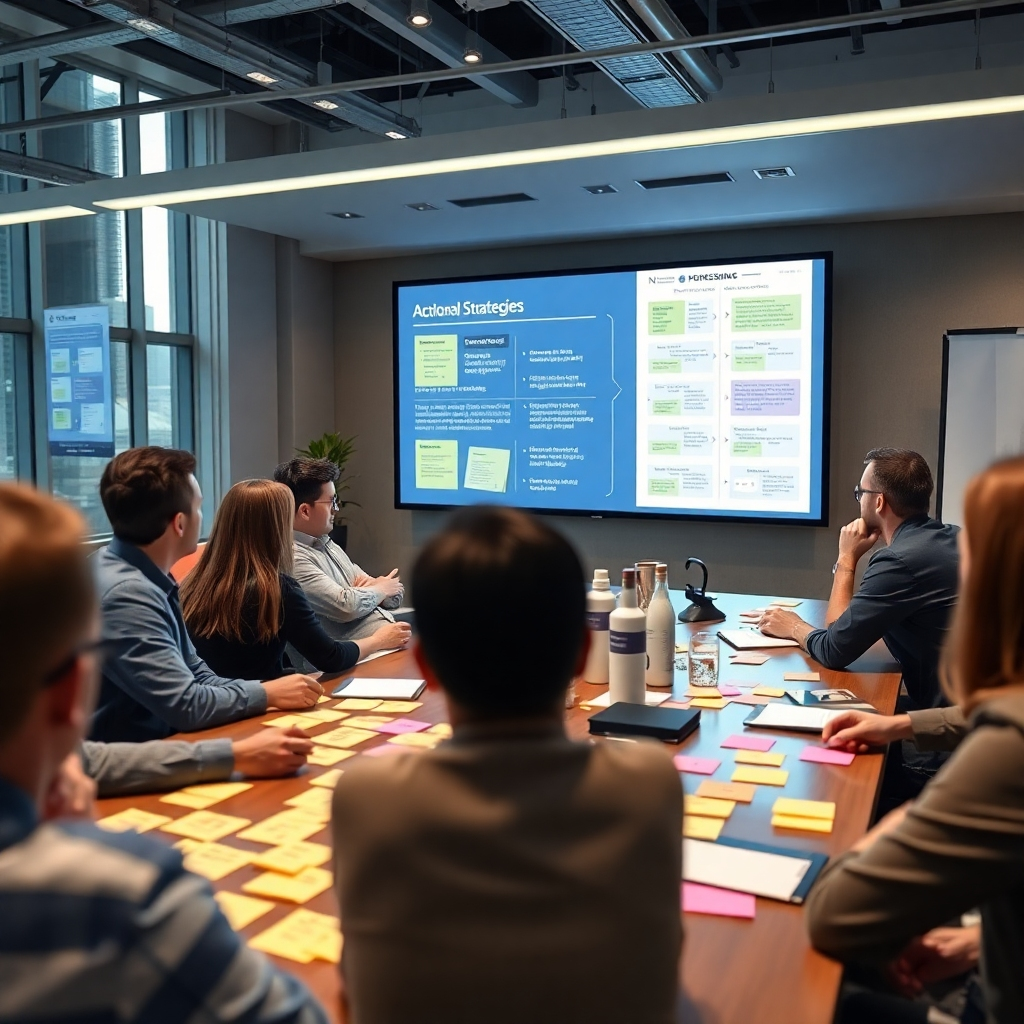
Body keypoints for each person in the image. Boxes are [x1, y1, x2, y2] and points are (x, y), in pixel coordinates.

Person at [331, 506, 683, 1024]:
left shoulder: (370, 795)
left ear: (427, 666)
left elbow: (355, 978)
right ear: (584, 650)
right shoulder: (648, 782)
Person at [0, 481, 326, 1023]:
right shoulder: (130, 896)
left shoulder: (155, 581)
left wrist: (232, 754)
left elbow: (93, 758)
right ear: (71, 690)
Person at [805, 456, 1024, 1024]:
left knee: (826, 988)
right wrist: (977, 942)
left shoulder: (1005, 751)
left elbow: (832, 914)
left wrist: (899, 821)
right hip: (990, 957)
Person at [91, 447, 323, 743]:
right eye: (199, 507)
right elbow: (186, 705)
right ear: (180, 523)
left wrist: (266, 691)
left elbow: (196, 672)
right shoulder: (127, 596)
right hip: (141, 752)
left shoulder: (132, 572)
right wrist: (265, 693)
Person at [758, 448, 959, 712]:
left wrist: (794, 625)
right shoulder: (955, 537)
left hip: (949, 721)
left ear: (879, 502)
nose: (858, 499)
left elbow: (834, 647)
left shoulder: (898, 562)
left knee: (836, 715)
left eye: (860, 493)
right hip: (984, 707)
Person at [182, 479, 409, 681]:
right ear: (275, 528)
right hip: (262, 703)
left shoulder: (191, 584)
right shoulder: (278, 590)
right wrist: (379, 640)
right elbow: (330, 657)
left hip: (212, 702)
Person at [274, 457, 406, 644]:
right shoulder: (293, 558)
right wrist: (379, 589)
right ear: (305, 511)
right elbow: (345, 607)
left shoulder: (327, 544)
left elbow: (395, 594)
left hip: (386, 644)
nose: (336, 509)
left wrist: (377, 590)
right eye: (331, 502)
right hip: (356, 657)